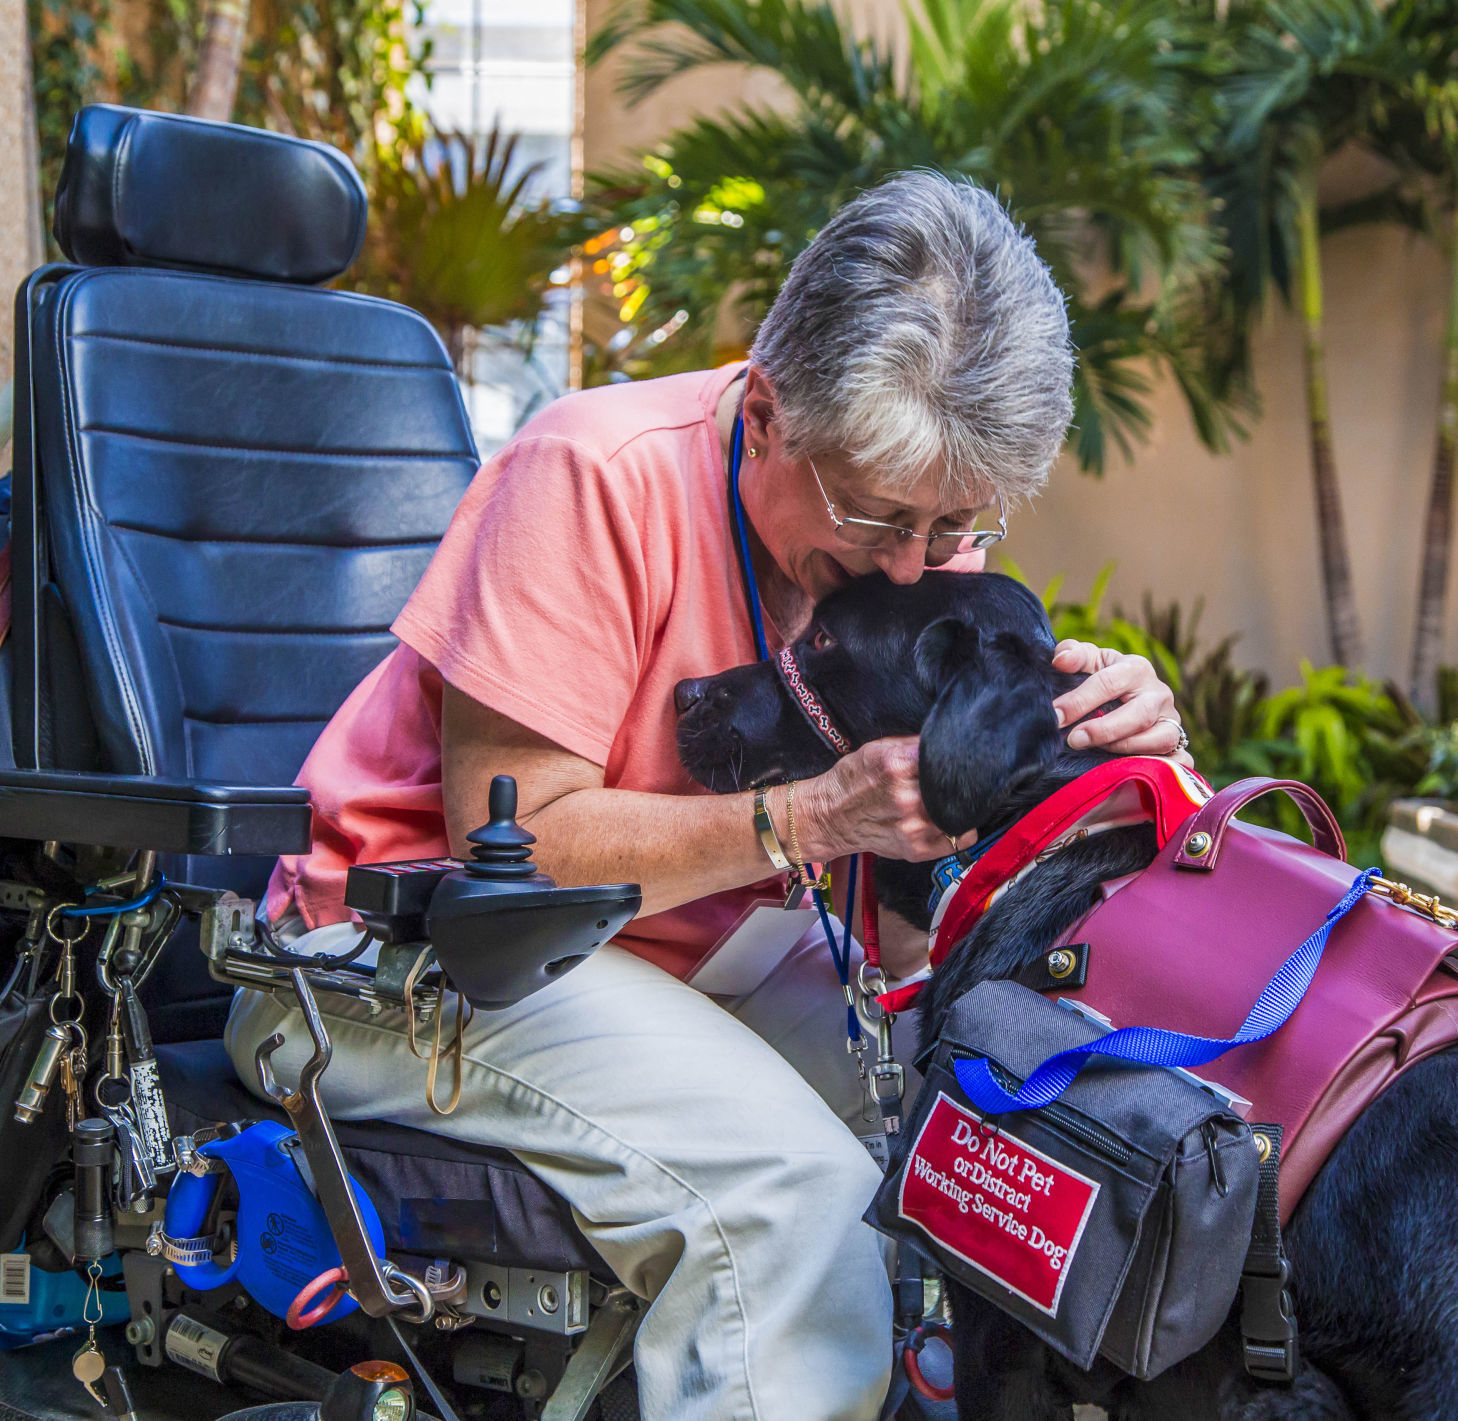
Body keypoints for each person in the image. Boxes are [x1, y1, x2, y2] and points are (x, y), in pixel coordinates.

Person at [226, 171, 1186, 1420]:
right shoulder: (594, 473)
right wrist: (818, 814)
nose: (909, 567)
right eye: (878, 516)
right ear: (770, 414)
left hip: (702, 960)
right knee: (797, 1200)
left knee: (1018, 1123)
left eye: (956, 525)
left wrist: (1116, 751)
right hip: (406, 962)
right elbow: (518, 848)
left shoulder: (902, 535)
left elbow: (915, 920)